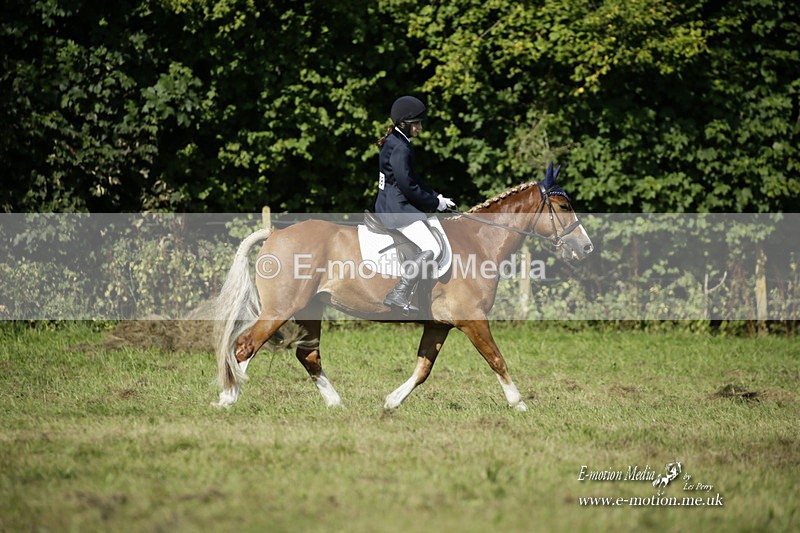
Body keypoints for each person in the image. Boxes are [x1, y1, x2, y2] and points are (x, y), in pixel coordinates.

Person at [374, 95, 455, 312]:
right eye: (416, 124)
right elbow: (408, 187)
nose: (419, 128)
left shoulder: (396, 141)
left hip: (389, 204)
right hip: (396, 209)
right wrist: (434, 204)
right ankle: (400, 292)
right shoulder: (401, 148)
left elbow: (412, 179)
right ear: (403, 124)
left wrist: (437, 197)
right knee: (432, 246)